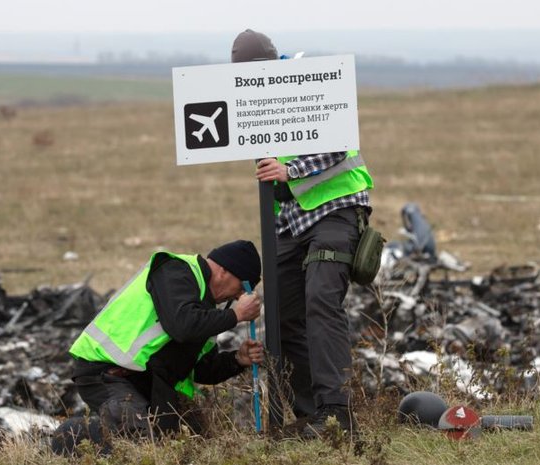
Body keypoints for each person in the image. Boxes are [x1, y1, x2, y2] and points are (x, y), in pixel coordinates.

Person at [232, 29, 374, 438]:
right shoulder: (251, 99)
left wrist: (290, 170)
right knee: (281, 311)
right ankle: (310, 414)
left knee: (320, 301)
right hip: (291, 221)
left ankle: (336, 414)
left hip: (336, 208)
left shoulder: (310, 81)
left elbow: (338, 144)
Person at [59, 240, 264, 452]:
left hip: (149, 383)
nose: (240, 296)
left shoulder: (207, 309)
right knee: (138, 443)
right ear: (224, 271)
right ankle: (72, 436)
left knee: (191, 446)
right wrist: (235, 315)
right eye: (242, 287)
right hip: (107, 372)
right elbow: (182, 326)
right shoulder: (175, 270)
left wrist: (237, 359)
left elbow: (200, 368)